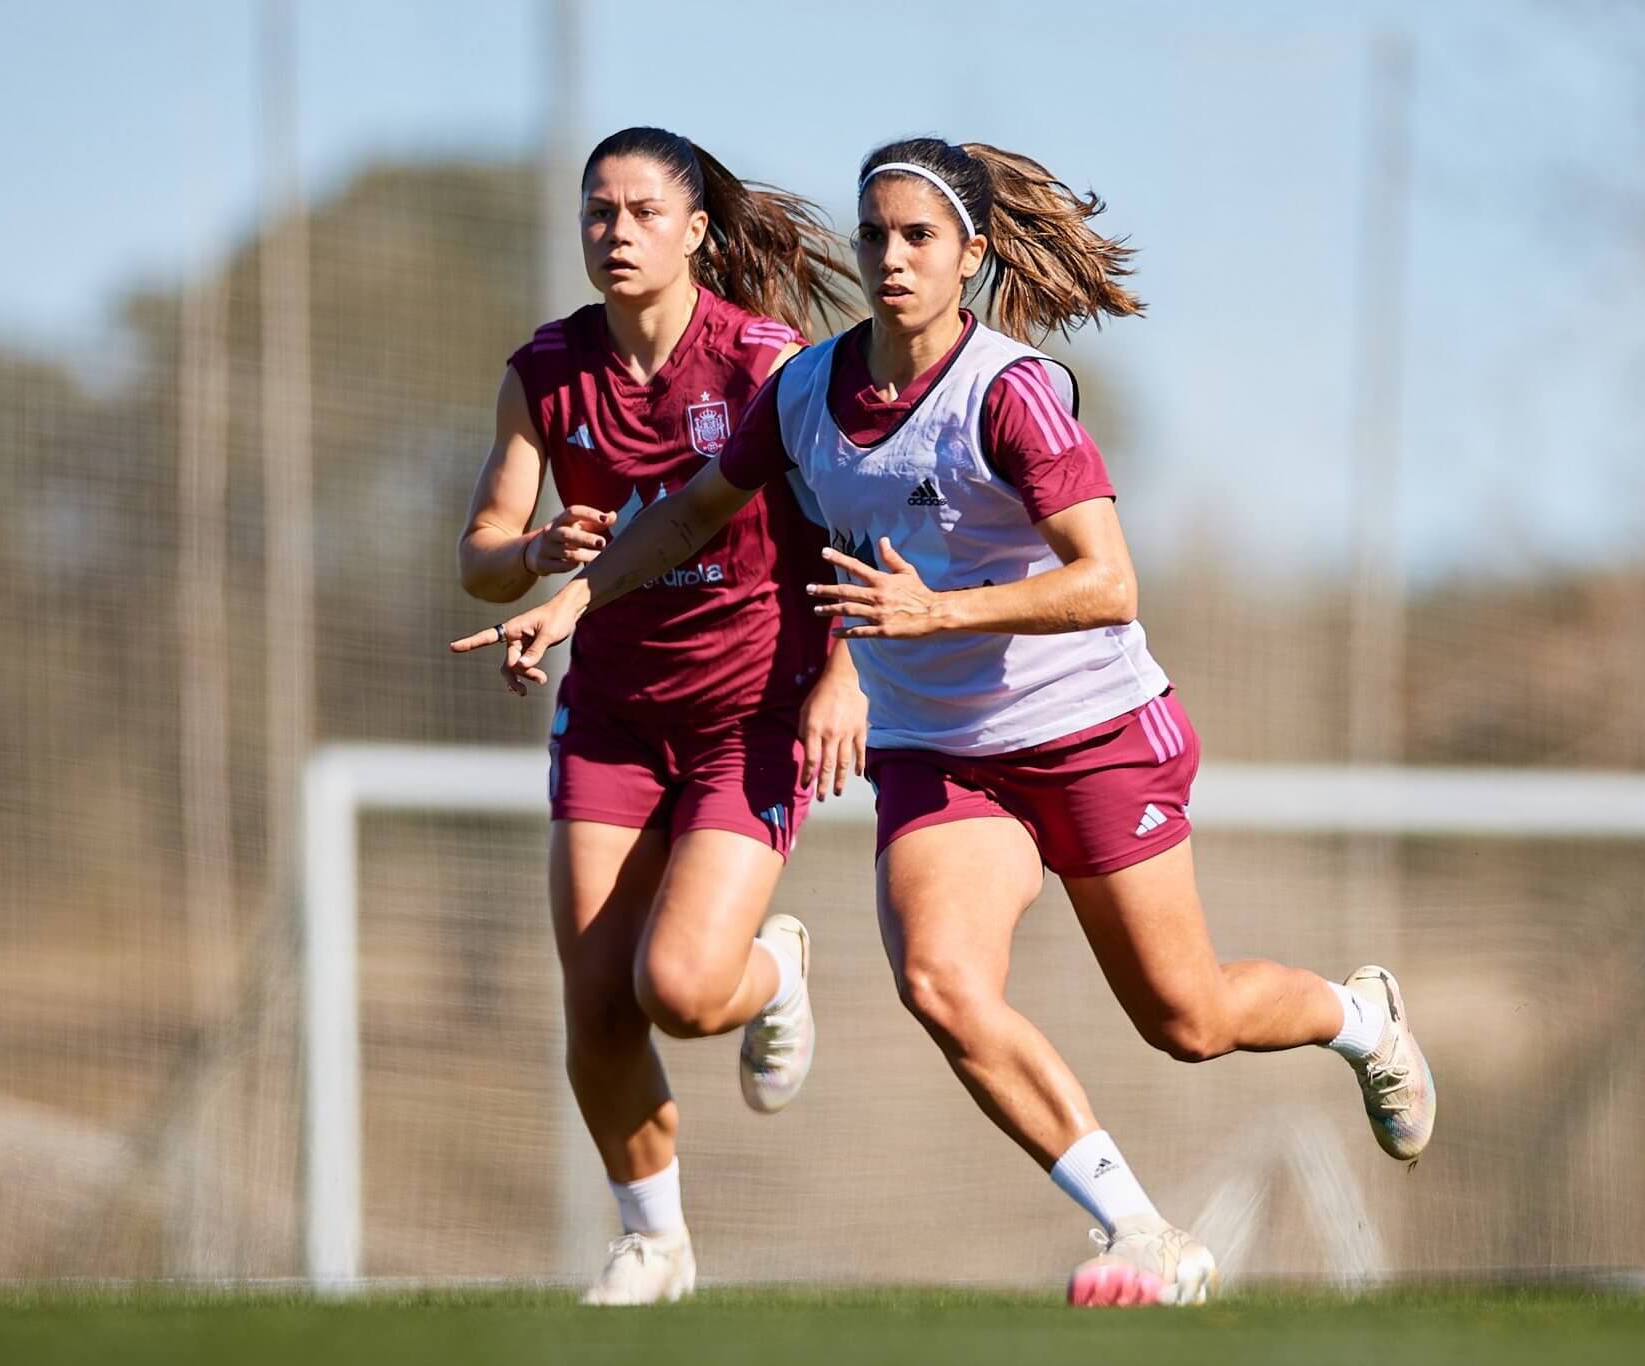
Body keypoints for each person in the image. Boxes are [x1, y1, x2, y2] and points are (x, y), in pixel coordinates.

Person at [454, 135, 1435, 1308]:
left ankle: (1355, 1015)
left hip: (1089, 731)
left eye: (917, 236)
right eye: (873, 234)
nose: (888, 256)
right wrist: (568, 595)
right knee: (939, 982)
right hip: (941, 753)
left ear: (970, 254)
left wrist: (936, 611)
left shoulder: (1007, 393)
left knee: (1188, 1015)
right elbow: (686, 518)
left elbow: (1108, 582)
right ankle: (1141, 1231)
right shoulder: (807, 389)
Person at [453, 126, 865, 1306]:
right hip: (614, 721)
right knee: (595, 1011)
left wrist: (844, 674)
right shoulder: (543, 373)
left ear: (693, 233)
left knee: (680, 990)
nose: (616, 232)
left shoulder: (766, 366)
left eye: (642, 212)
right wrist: (535, 551)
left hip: (749, 716)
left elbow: (857, 529)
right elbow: (480, 558)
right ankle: (654, 1244)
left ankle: (774, 972)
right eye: (597, 212)